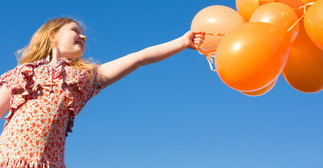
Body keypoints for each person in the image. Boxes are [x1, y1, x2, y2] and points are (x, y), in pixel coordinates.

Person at [0, 17, 205, 167]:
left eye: (82, 33)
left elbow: (138, 58)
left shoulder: (85, 78)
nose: (83, 35)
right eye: (74, 30)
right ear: (53, 35)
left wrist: (181, 42)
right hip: (8, 159)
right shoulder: (25, 73)